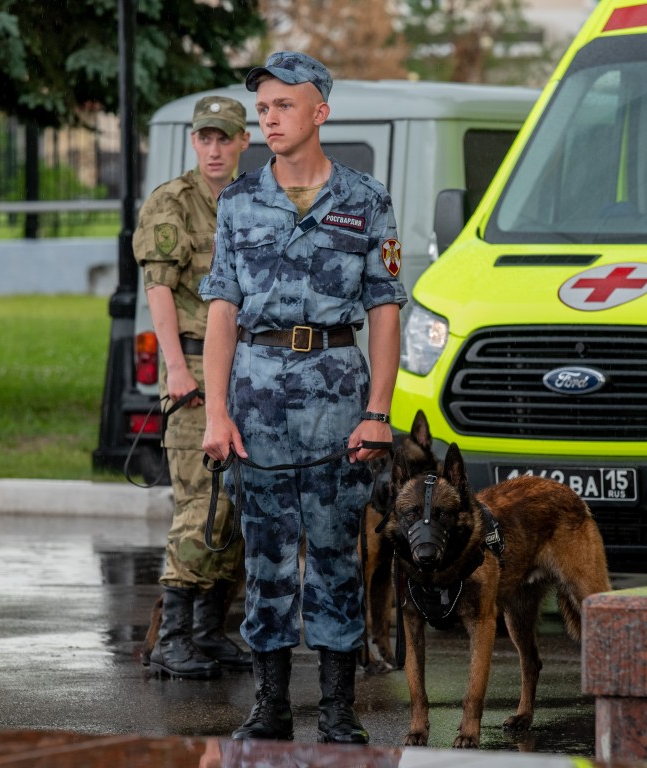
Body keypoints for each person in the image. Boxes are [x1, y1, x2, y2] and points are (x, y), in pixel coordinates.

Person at [199, 51, 407, 744]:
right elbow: (223, 307)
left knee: (337, 555)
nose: (268, 119)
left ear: (321, 110)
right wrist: (216, 413)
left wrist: (378, 412)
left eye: (282, 105)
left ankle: (340, 708)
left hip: (336, 395)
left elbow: (383, 310)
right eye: (262, 109)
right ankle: (271, 704)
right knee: (264, 558)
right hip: (256, 397)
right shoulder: (238, 200)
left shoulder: (364, 199)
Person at [133, 95, 252, 680]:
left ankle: (209, 632)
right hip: (194, 366)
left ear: (241, 142)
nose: (214, 148)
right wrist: (175, 370)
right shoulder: (172, 202)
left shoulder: (252, 199)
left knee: (235, 508)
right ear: (193, 142)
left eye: (224, 138)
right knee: (200, 503)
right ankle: (171, 637)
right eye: (205, 138)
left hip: (245, 369)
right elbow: (159, 292)